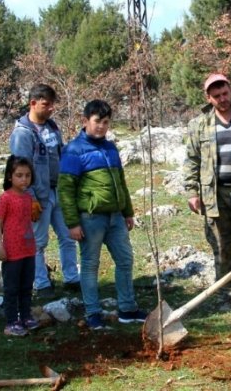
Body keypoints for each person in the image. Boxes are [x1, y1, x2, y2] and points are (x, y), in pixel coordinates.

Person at [57, 100, 148, 330]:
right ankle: (93, 313)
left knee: (125, 259)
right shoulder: (73, 150)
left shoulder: (110, 148)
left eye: (106, 122)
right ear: (85, 120)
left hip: (116, 217)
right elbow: (65, 189)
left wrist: (128, 213)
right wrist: (72, 223)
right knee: (90, 265)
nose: (101, 126)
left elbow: (121, 183)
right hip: (90, 218)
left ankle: (127, 309)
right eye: (97, 121)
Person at [183, 73, 231, 311]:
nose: (223, 99)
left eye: (225, 93)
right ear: (209, 98)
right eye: (216, 96)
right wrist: (192, 191)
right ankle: (229, 297)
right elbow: (191, 160)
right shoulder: (198, 125)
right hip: (213, 196)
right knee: (221, 248)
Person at [9, 84, 80, 299]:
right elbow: (20, 170)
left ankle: (72, 278)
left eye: (52, 105)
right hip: (38, 195)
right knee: (38, 241)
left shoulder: (52, 127)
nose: (51, 109)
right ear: (33, 103)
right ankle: (41, 282)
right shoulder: (22, 133)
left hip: (59, 191)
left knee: (68, 236)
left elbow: (60, 153)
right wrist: (29, 199)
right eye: (46, 104)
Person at [0, 155, 40, 337]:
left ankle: (26, 316)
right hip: (12, 252)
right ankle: (11, 322)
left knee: (26, 286)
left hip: (28, 249)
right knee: (11, 288)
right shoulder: (5, 198)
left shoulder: (29, 198)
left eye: (27, 175)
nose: (24, 179)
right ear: (9, 177)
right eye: (19, 175)